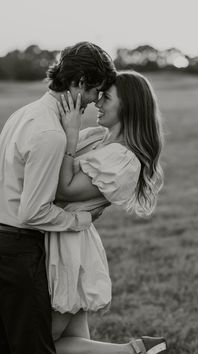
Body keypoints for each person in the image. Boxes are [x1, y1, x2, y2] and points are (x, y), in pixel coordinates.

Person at [0, 41, 116, 354]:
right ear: (79, 84)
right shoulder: (50, 133)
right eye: (95, 91)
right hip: (19, 249)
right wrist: (80, 220)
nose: (94, 102)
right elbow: (33, 212)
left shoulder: (24, 114)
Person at [46, 71, 167, 354]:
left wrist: (71, 134)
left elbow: (65, 188)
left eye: (107, 98)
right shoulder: (100, 138)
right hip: (61, 235)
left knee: (37, 341)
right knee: (74, 338)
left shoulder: (123, 157)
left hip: (69, 247)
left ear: (128, 106)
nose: (98, 103)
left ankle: (134, 351)